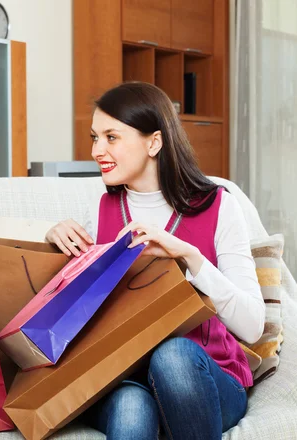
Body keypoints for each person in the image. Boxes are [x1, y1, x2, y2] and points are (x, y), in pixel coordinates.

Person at [45, 82, 265, 440]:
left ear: (154, 142)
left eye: (111, 137)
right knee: (132, 407)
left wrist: (190, 257)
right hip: (124, 378)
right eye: (94, 137)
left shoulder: (219, 207)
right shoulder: (98, 210)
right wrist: (53, 239)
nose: (97, 149)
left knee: (174, 355)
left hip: (207, 377)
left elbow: (253, 326)